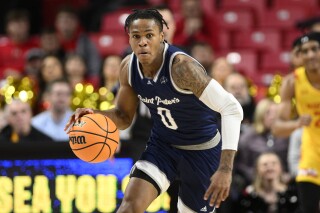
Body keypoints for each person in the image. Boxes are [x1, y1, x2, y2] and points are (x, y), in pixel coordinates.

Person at [65, 9, 243, 213]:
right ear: (129, 39)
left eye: (149, 35)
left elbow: (232, 108)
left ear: (162, 36)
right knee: (128, 207)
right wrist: (95, 114)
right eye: (136, 36)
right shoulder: (128, 67)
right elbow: (123, 117)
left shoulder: (182, 67)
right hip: (163, 146)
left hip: (201, 149)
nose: (142, 42)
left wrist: (225, 168)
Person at [271, 32, 320, 213]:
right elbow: (276, 128)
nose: (310, 55)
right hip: (311, 155)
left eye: (315, 49)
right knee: (308, 208)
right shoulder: (292, 82)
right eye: (304, 51)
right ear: (298, 56)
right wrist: (297, 123)